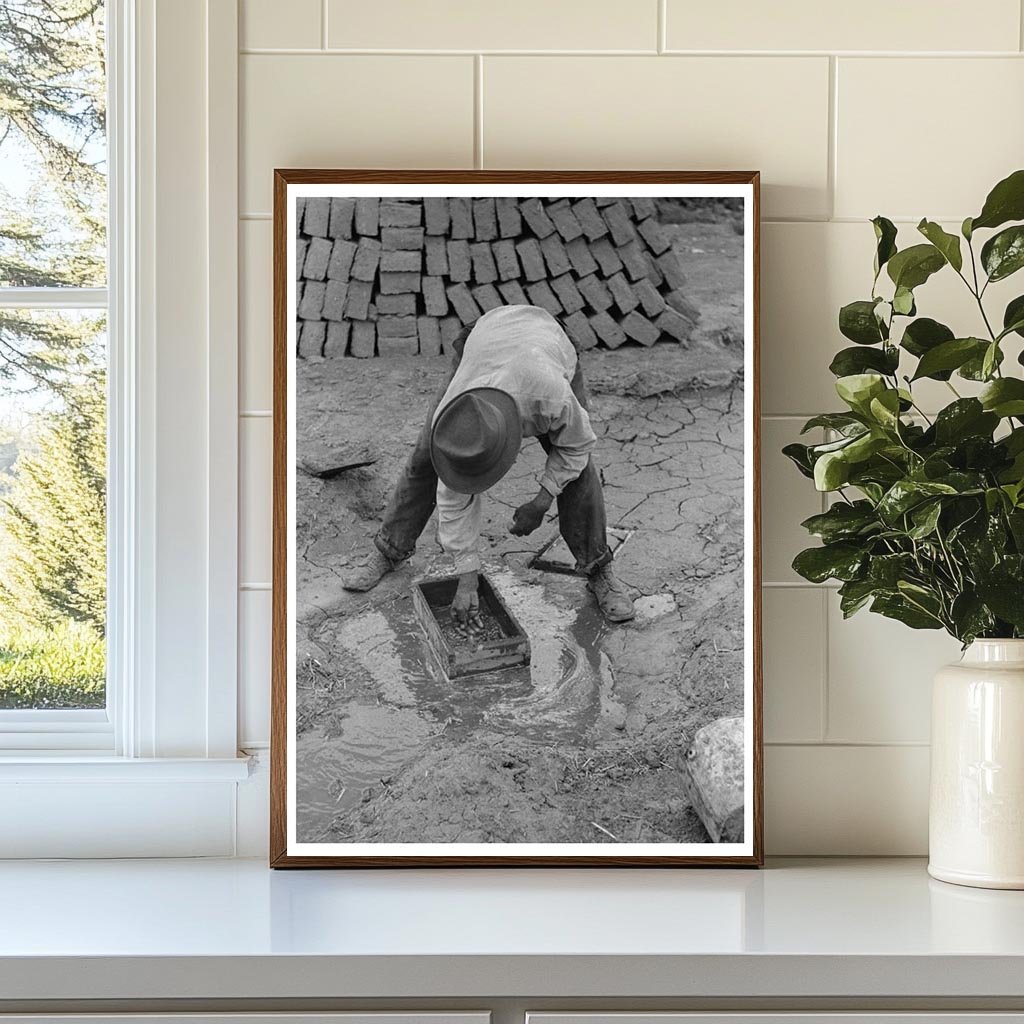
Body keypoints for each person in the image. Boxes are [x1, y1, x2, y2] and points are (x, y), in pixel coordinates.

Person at [342, 304, 635, 627]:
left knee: (579, 474)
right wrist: (467, 578)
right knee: (426, 456)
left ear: (508, 447)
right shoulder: (455, 414)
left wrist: (542, 499)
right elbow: (453, 496)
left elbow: (578, 443)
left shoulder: (550, 397)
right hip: (483, 340)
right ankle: (390, 548)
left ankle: (598, 570)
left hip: (547, 343)